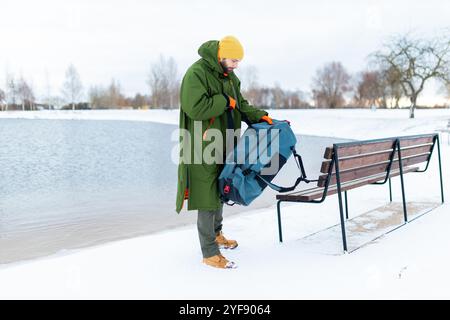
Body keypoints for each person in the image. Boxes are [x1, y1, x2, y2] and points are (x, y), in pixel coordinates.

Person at [175, 36, 273, 269]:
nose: (236, 64)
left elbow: (239, 104)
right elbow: (195, 108)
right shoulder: (196, 73)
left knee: (220, 189)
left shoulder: (230, 77)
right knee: (206, 196)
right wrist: (222, 100)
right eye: (233, 60)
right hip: (201, 144)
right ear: (220, 56)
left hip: (226, 143)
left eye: (238, 61)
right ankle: (209, 252)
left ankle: (216, 234)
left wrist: (259, 115)